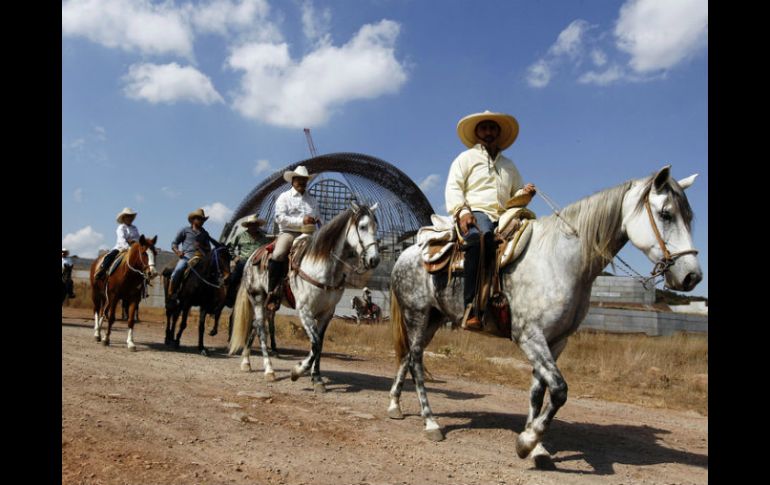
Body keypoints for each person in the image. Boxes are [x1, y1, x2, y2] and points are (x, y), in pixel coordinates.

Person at [445, 110, 537, 330]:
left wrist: (525, 193)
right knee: (480, 238)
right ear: (477, 133)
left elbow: (515, 197)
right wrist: (462, 212)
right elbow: (454, 187)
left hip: (504, 215)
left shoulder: (509, 165)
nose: (489, 132)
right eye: (484, 128)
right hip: (476, 212)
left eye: (493, 128)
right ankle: (472, 308)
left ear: (498, 133)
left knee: (531, 236)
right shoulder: (465, 158)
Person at [266, 165, 321, 310]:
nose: (302, 182)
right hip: (289, 232)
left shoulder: (312, 200)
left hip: (310, 234)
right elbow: (280, 218)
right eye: (299, 180)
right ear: (293, 180)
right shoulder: (284, 197)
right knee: (278, 254)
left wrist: (315, 221)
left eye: (304, 180)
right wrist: (301, 221)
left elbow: (318, 217)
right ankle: (271, 291)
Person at [167, 208, 218, 304]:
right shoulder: (185, 230)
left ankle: (212, 299)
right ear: (193, 220)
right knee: (178, 269)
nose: (201, 221)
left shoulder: (205, 233)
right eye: (199, 219)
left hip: (201, 259)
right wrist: (178, 252)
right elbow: (174, 244)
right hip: (186, 257)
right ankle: (172, 291)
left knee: (214, 273)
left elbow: (208, 249)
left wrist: (202, 247)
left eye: (202, 219)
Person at [94, 207, 140, 280]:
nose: (130, 218)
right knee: (109, 256)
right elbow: (121, 240)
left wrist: (134, 244)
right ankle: (102, 271)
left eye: (131, 216)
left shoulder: (135, 228)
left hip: (134, 249)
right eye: (128, 216)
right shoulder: (121, 227)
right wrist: (129, 247)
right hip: (121, 248)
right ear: (124, 218)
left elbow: (138, 239)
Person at [229, 214, 271, 292]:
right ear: (248, 226)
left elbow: (268, 249)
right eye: (251, 224)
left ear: (258, 226)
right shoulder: (240, 236)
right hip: (243, 262)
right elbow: (229, 247)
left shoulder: (264, 238)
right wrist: (234, 257)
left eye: (255, 224)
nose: (253, 226)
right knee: (234, 279)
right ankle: (229, 299)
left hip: (258, 263)